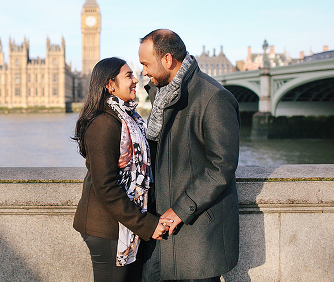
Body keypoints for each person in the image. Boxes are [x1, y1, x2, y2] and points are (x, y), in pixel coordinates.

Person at [138, 29, 240, 282]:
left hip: (197, 234)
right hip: (160, 230)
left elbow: (222, 166)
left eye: (145, 64)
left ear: (167, 60)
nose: (144, 72)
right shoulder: (162, 96)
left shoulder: (213, 97)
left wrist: (181, 210)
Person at [73, 57, 172, 282]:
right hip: (106, 228)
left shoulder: (127, 118)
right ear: (110, 85)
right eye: (128, 76)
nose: (135, 79)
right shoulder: (103, 124)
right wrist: (147, 225)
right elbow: (106, 187)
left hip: (125, 225)